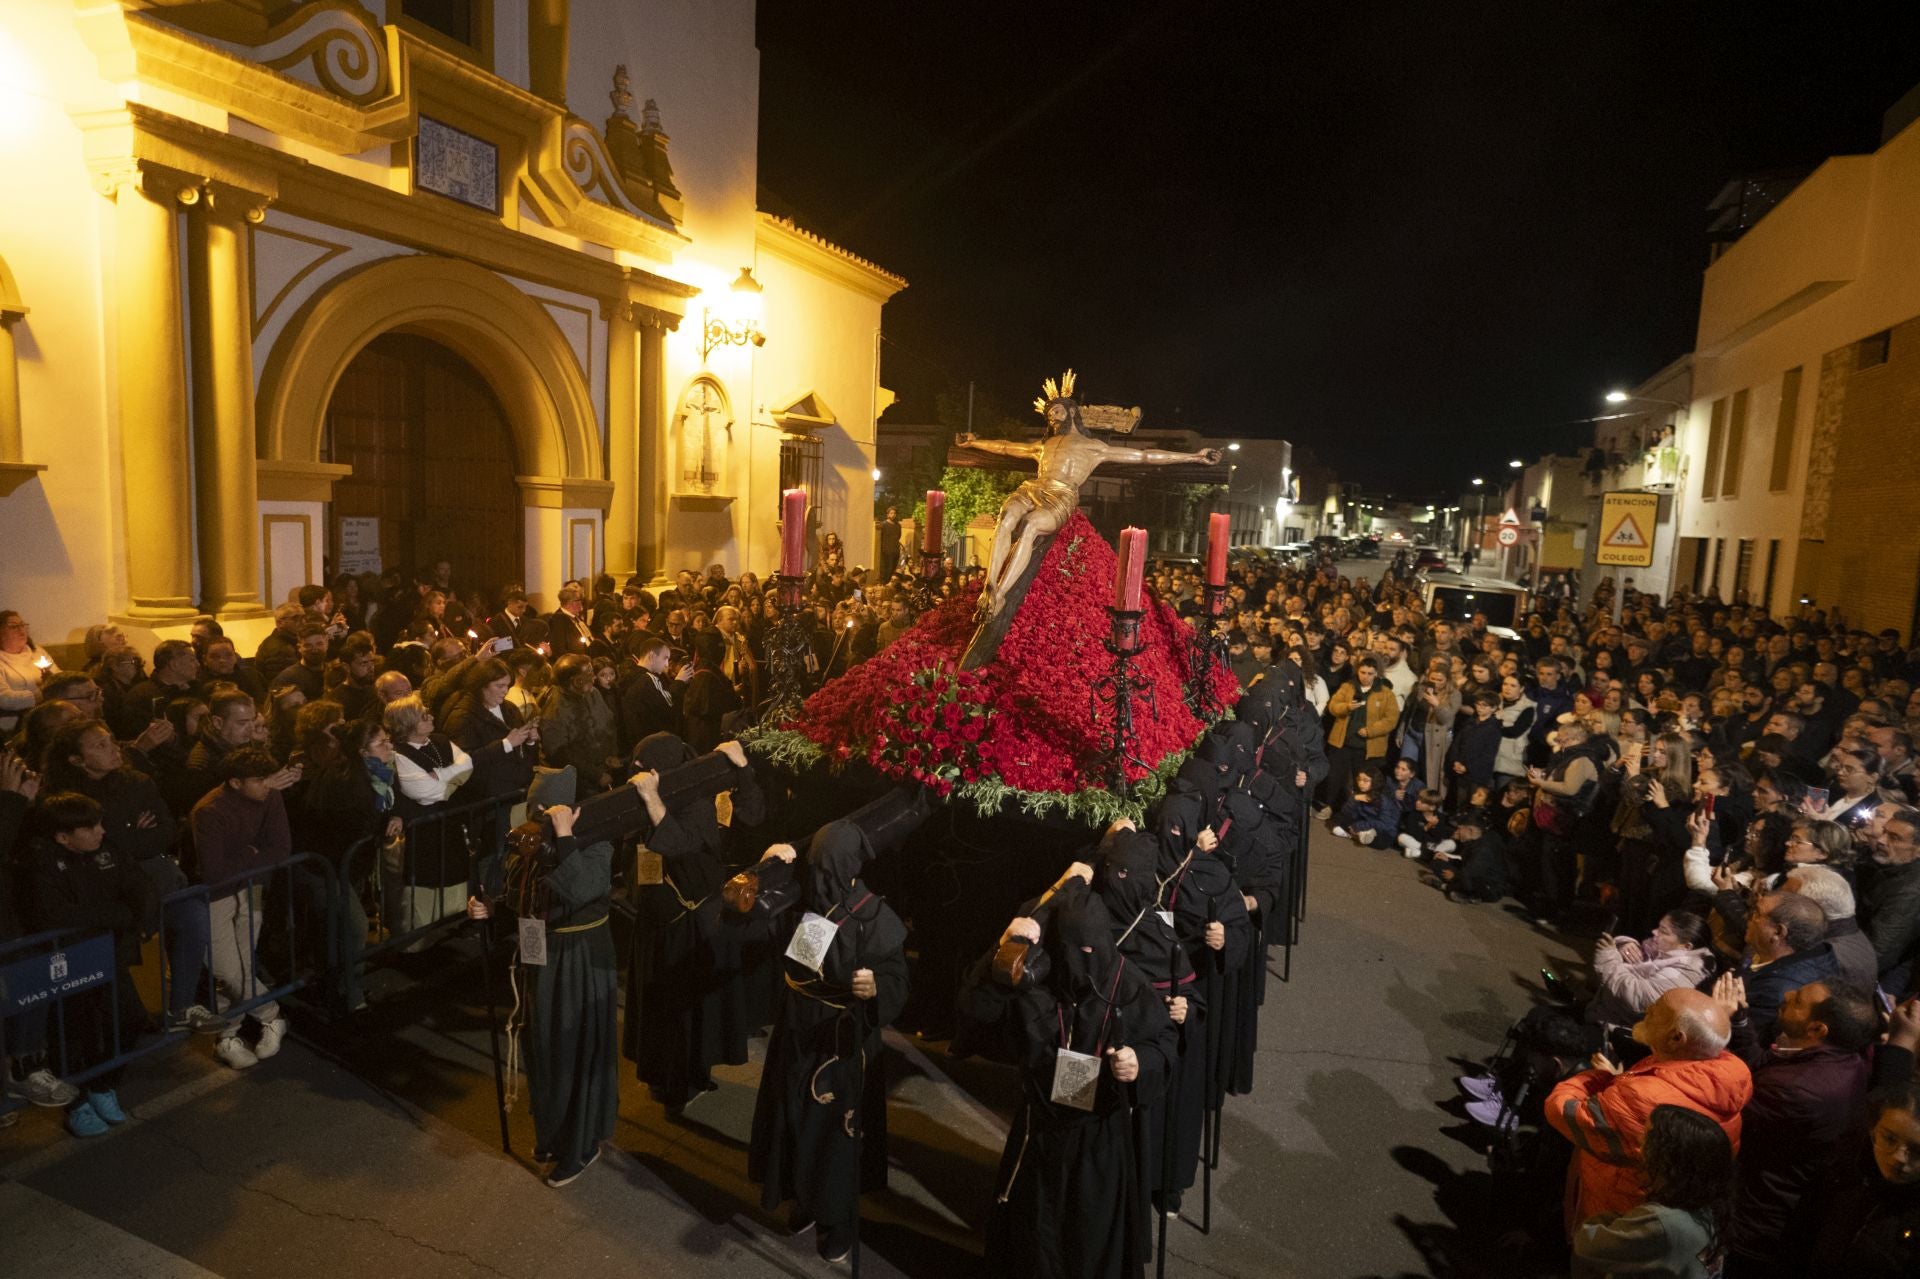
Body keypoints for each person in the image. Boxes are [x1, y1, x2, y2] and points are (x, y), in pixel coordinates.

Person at [959, 885, 1178, 1279]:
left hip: (1098, 1138)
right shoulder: (1038, 979)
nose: (1084, 959)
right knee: (1034, 1235)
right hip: (1040, 1127)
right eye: (1075, 950)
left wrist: (1139, 1062)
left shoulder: (1128, 984)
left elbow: (1163, 1043)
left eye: (1092, 949)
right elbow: (976, 1010)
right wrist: (1000, 950)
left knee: (1088, 1240)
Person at [749, 804, 914, 1263]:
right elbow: (753, 926)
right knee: (794, 1119)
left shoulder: (875, 918)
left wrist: (876, 987)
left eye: (826, 871)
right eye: (814, 869)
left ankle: (836, 1218)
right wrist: (765, 868)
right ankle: (802, 1199)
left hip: (842, 1040)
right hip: (799, 1030)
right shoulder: (804, 901)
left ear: (845, 870)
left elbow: (898, 981)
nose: (818, 878)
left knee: (835, 1137)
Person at [622, 733, 767, 1110]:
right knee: (662, 1007)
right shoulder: (648, 794)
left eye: (644, 767)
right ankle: (666, 1078)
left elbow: (682, 844)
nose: (636, 773)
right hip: (661, 920)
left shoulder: (695, 800)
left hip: (688, 922)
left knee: (688, 1008)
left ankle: (688, 1076)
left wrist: (741, 769)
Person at [1544, 988, 1752, 1230]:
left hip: (1611, 1213)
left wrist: (1596, 1078)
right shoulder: (1723, 1077)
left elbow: (1561, 1110)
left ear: (1676, 1038)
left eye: (1655, 1011)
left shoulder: (1645, 1097)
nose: (1647, 1011)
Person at [1714, 974, 1874, 1277]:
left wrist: (1712, 1030)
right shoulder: (1842, 1058)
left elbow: (1724, 1110)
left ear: (1817, 1029)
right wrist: (1737, 1021)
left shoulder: (1799, 1091)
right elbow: (1761, 1067)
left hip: (1755, 1226)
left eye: (1798, 1001)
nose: (1787, 994)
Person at [19, 791, 156, 1135]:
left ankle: (103, 1085)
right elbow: (54, 914)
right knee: (74, 1032)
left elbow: (138, 883)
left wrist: (142, 916)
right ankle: (77, 1102)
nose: (100, 831)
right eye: (90, 827)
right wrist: (118, 915)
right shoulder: (41, 862)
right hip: (66, 960)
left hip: (108, 952)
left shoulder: (107, 848)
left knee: (131, 1017)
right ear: (63, 837)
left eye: (99, 823)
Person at [189, 746, 293, 1070]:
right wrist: (252, 854)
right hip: (216, 897)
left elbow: (281, 849)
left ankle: (227, 1036)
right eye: (259, 780)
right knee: (228, 970)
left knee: (241, 967)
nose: (267, 785)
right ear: (235, 782)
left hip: (252, 888)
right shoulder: (209, 811)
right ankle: (271, 1015)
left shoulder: (270, 796)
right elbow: (214, 872)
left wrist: (247, 859)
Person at [1571, 1105, 1735, 1279]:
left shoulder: (1662, 1224)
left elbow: (1587, 1246)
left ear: (1668, 1157)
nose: (1639, 1139)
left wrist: (1602, 1220)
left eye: (1647, 1135)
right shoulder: (1708, 1209)